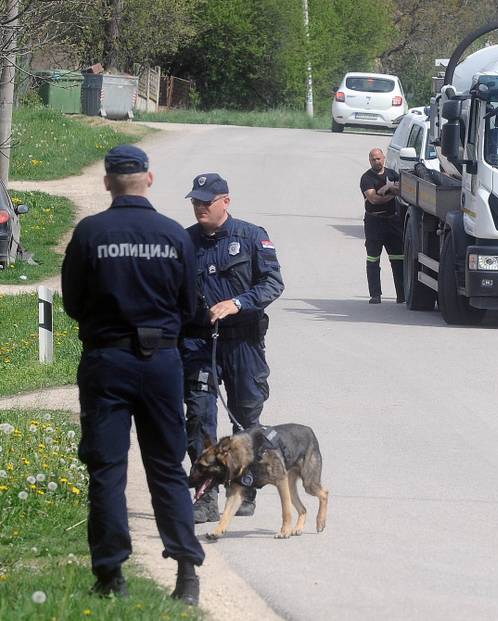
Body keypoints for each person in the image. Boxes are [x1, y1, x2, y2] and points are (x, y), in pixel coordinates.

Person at [61, 145, 203, 605]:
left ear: (107, 182)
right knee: (167, 467)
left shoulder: (90, 233)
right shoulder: (173, 235)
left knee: (107, 470)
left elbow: (72, 304)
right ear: (150, 178)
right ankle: (186, 574)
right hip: (161, 363)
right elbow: (189, 306)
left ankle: (110, 576)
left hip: (107, 360)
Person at [180, 173, 284, 523]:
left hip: (242, 341)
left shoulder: (252, 237)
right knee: (199, 418)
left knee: (246, 418)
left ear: (226, 201)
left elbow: (273, 283)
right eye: (195, 202)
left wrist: (238, 303)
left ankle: (244, 487)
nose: (199, 208)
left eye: (206, 202)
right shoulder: (183, 242)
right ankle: (205, 497)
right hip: (198, 342)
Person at [360, 148, 404, 304]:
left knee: (398, 259)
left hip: (393, 221)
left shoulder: (392, 174)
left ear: (384, 158)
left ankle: (402, 295)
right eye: (373, 159)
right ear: (369, 160)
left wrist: (388, 189)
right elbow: (374, 199)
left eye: (378, 158)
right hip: (374, 222)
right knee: (373, 259)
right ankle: (375, 295)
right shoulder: (366, 178)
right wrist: (392, 192)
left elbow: (403, 189)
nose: (376, 161)